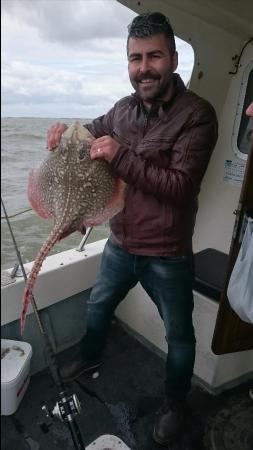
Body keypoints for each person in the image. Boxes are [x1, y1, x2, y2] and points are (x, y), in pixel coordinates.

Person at [47, 12, 218, 446]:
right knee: (98, 306)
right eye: (135, 58)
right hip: (121, 242)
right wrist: (66, 132)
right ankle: (89, 355)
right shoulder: (122, 110)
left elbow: (180, 187)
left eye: (154, 56)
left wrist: (120, 156)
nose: (144, 67)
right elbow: (92, 133)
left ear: (173, 59)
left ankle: (175, 402)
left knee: (179, 336)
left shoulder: (197, 115)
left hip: (167, 251)